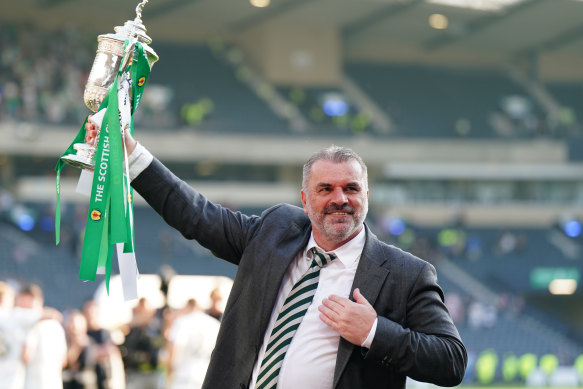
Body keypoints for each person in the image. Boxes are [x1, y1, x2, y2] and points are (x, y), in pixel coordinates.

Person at [85, 120, 467, 388]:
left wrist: (373, 331)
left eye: (351, 188)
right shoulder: (273, 232)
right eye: (325, 189)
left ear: (366, 196)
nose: (340, 199)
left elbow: (451, 361)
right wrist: (130, 155)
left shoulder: (405, 273)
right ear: (305, 199)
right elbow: (197, 215)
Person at [165, 298, 220, 389]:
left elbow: (175, 347)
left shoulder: (182, 322)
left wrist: (169, 369)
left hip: (184, 375)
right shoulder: (215, 324)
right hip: (205, 375)